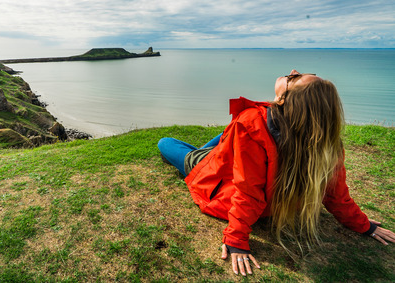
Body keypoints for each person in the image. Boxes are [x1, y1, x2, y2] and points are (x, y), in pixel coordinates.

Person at [158, 70, 395, 276]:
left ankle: (203, 153)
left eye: (295, 77)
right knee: (227, 133)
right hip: (259, 177)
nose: (292, 71)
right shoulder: (326, 142)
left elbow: (248, 192)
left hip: (220, 180)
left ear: (283, 99)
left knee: (166, 142)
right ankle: (221, 146)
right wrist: (364, 225)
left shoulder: (251, 124)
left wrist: (236, 240)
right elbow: (336, 194)